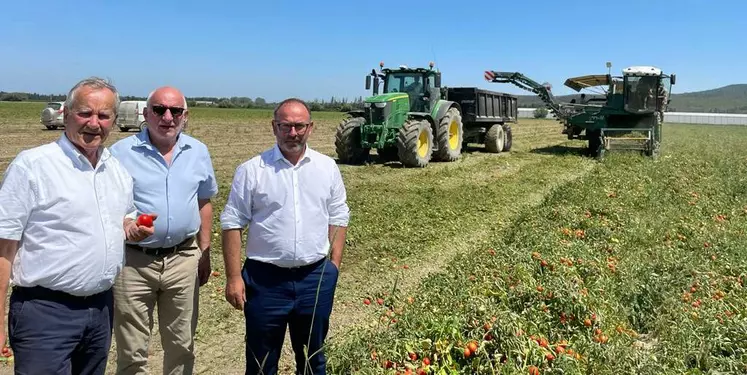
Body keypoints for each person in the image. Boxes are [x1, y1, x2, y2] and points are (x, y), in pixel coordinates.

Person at [0, 77, 155, 374]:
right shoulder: (33, 166)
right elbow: (4, 248)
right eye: (85, 113)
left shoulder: (116, 170)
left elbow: (121, 218)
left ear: (113, 119)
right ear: (67, 114)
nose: (94, 123)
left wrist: (131, 228)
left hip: (100, 309)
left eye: (104, 115)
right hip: (45, 312)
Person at [220, 98, 350, 375]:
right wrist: (233, 278)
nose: (293, 133)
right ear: (274, 127)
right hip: (264, 281)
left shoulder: (326, 168)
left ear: (310, 127)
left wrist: (333, 267)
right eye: (286, 126)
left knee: (313, 359)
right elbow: (232, 222)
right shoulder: (252, 170)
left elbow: (338, 215)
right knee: (261, 362)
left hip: (314, 278)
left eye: (299, 126)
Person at [109, 86, 218, 375]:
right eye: (159, 110)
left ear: (185, 116)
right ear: (146, 114)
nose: (167, 117)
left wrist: (204, 252)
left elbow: (204, 202)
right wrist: (125, 227)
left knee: (182, 344)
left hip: (183, 259)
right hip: (133, 262)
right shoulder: (120, 153)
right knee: (132, 349)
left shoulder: (198, 151)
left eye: (175, 111)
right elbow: (106, 205)